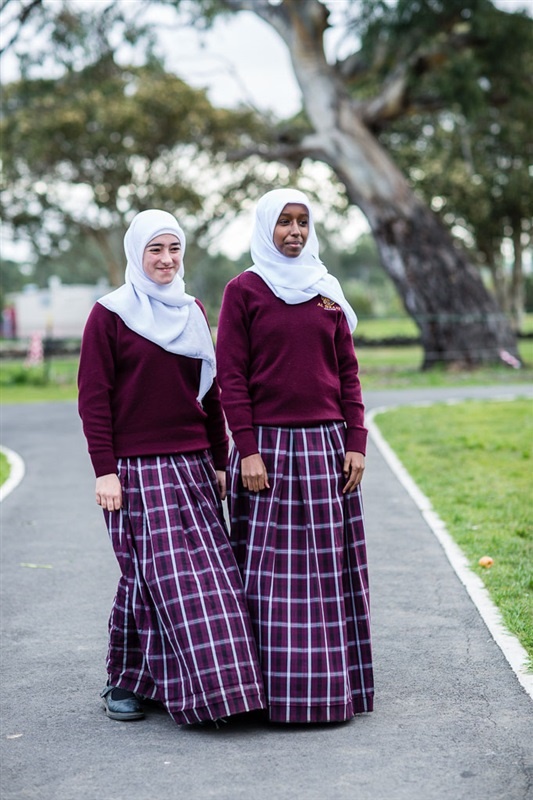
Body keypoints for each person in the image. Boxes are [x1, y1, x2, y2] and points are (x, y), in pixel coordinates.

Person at [78, 209, 265, 725]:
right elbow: (94, 399)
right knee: (151, 577)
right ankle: (125, 682)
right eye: (155, 250)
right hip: (135, 471)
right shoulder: (109, 314)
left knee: (212, 580)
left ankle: (217, 687)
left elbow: (210, 395)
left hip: (194, 466)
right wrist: (105, 470)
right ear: (137, 254)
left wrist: (220, 459)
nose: (165, 260)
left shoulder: (191, 310)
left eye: (173, 249)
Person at [216, 188, 374, 724]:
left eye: (303, 222)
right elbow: (230, 379)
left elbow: (348, 375)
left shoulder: (326, 293)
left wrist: (356, 442)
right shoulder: (244, 291)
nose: (295, 232)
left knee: (328, 574)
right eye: (284, 222)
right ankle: (269, 696)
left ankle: (331, 694)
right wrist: (248, 450)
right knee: (269, 577)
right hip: (269, 451)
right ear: (266, 227)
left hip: (327, 448)